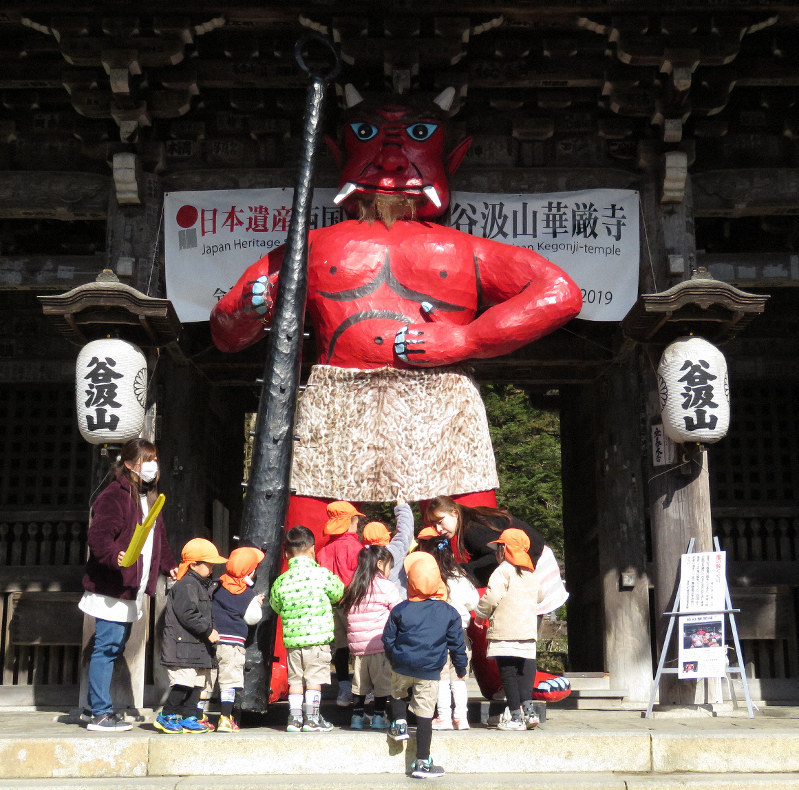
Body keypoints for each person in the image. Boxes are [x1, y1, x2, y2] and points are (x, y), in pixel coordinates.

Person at [79, 438, 178, 731]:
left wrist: (169, 566)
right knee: (107, 646)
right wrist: (114, 555)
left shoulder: (149, 497)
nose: (152, 466)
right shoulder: (114, 494)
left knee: (113, 645)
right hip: (112, 585)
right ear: (129, 464)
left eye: (154, 459)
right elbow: (99, 537)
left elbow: (158, 539)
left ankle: (93, 708)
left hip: (131, 586)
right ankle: (100, 713)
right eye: (146, 460)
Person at [383, 552, 467, 779]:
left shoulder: (400, 609)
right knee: (424, 715)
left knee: (398, 693)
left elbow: (388, 639)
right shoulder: (449, 612)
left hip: (401, 665)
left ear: (410, 583)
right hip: (429, 671)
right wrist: (461, 668)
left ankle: (399, 724)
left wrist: (394, 658)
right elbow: (457, 645)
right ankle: (422, 762)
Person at [269, 525, 344, 732]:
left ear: (286, 553)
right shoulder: (322, 575)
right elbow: (338, 592)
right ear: (312, 549)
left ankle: (294, 719)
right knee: (313, 680)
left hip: (293, 642)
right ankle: (312, 719)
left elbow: (275, 605)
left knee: (295, 680)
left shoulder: (281, 581)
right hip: (317, 640)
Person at [156, 538, 228, 734]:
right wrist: (208, 631)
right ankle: (166, 715)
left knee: (197, 684)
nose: (212, 569)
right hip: (182, 647)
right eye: (209, 564)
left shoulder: (200, 584)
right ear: (194, 564)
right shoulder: (186, 584)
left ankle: (188, 717)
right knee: (183, 683)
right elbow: (188, 614)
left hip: (195, 647)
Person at [474, 529, 544, 731]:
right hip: (527, 631)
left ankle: (515, 717)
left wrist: (480, 614)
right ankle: (529, 712)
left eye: (498, 548)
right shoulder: (530, 573)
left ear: (504, 550)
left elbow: (491, 597)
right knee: (525, 673)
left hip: (505, 632)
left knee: (508, 673)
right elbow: (540, 595)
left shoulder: (503, 571)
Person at [416, 526, 479, 730]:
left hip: (437, 635)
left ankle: (443, 716)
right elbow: (473, 601)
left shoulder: (429, 578)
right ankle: (461, 717)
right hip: (460, 633)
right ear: (451, 554)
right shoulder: (460, 576)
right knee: (459, 676)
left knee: (441, 677)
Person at [201, 546, 265, 733]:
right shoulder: (247, 594)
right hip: (233, 644)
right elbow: (252, 618)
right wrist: (257, 603)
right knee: (229, 681)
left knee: (206, 680)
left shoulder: (215, 585)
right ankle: (225, 719)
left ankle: (198, 717)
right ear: (250, 572)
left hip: (211, 641)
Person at [339, 545, 401, 730]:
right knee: (382, 684)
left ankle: (357, 717)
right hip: (379, 644)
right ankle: (379, 716)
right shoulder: (387, 587)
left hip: (357, 648)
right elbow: (397, 613)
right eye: (389, 566)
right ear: (380, 564)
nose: (390, 571)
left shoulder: (354, 586)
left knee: (360, 684)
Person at [316, 500, 364, 706]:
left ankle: (343, 690)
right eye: (356, 521)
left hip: (332, 607)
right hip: (355, 606)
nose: (358, 525)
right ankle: (364, 689)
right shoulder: (357, 548)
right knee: (361, 648)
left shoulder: (323, 550)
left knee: (341, 648)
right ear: (349, 522)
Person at [360, 500, 415, 596]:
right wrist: (402, 508)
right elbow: (406, 531)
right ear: (386, 537)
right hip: (399, 601)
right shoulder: (395, 552)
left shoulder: (362, 557)